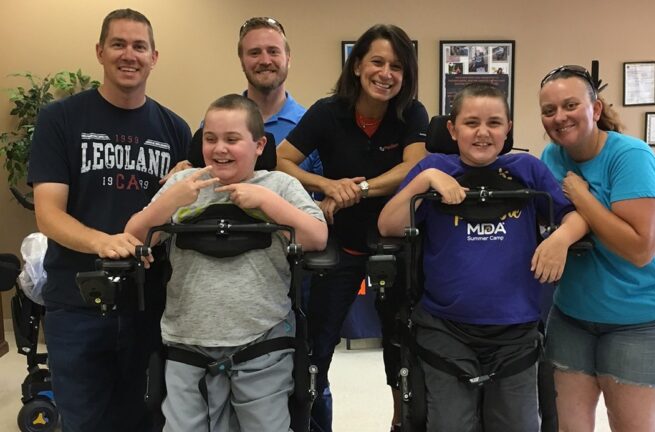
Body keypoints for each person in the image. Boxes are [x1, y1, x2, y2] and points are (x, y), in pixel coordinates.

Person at [377, 83, 588, 432]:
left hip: (516, 331)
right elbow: (389, 225)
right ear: (452, 129)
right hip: (446, 328)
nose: (482, 132)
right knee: (450, 425)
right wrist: (426, 179)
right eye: (471, 122)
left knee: (518, 425)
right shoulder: (435, 167)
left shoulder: (527, 169)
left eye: (494, 123)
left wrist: (561, 239)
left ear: (508, 128)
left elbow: (575, 215)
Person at [27, 9, 191, 431]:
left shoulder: (175, 129)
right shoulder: (60, 120)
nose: (129, 55)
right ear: (100, 51)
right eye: (118, 44)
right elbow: (48, 213)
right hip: (78, 303)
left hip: (148, 305)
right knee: (84, 420)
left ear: (155, 57)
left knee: (147, 418)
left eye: (139, 46)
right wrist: (104, 242)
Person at [125, 94, 328, 431]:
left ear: (259, 145)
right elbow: (134, 235)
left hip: (262, 340)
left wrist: (267, 202)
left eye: (232, 140)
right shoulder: (182, 185)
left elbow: (316, 237)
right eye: (210, 138)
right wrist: (169, 203)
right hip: (186, 341)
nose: (219, 148)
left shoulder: (279, 185)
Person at [275, 24, 428, 432]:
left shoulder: (412, 113)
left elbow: (413, 167)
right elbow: (282, 160)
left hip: (393, 248)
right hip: (339, 249)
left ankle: (401, 424)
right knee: (318, 347)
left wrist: (357, 189)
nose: (386, 73)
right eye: (377, 62)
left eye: (397, 66)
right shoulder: (328, 112)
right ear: (358, 65)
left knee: (401, 349)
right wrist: (327, 186)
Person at [538, 65, 655, 432]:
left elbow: (640, 249)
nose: (560, 117)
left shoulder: (630, 157)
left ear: (596, 109)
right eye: (549, 110)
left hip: (640, 320)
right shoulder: (551, 157)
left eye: (570, 105)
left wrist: (582, 197)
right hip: (572, 316)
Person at [237, 16, 322, 176]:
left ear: (288, 58)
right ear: (242, 61)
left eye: (273, 51)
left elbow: (323, 198)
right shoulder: (217, 124)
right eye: (255, 53)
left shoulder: (311, 125)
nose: (265, 60)